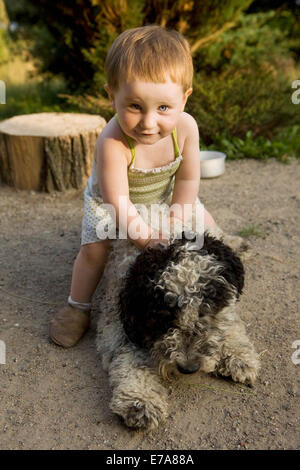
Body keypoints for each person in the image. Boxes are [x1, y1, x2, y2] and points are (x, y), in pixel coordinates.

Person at [49, 24, 217, 348]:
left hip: (164, 194)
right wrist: (145, 239)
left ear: (185, 98)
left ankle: (201, 295)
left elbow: (187, 179)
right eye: (135, 106)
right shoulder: (112, 141)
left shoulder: (186, 129)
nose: (149, 122)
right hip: (112, 202)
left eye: (163, 108)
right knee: (95, 249)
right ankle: (77, 306)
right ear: (111, 96)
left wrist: (177, 217)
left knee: (205, 229)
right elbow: (118, 201)